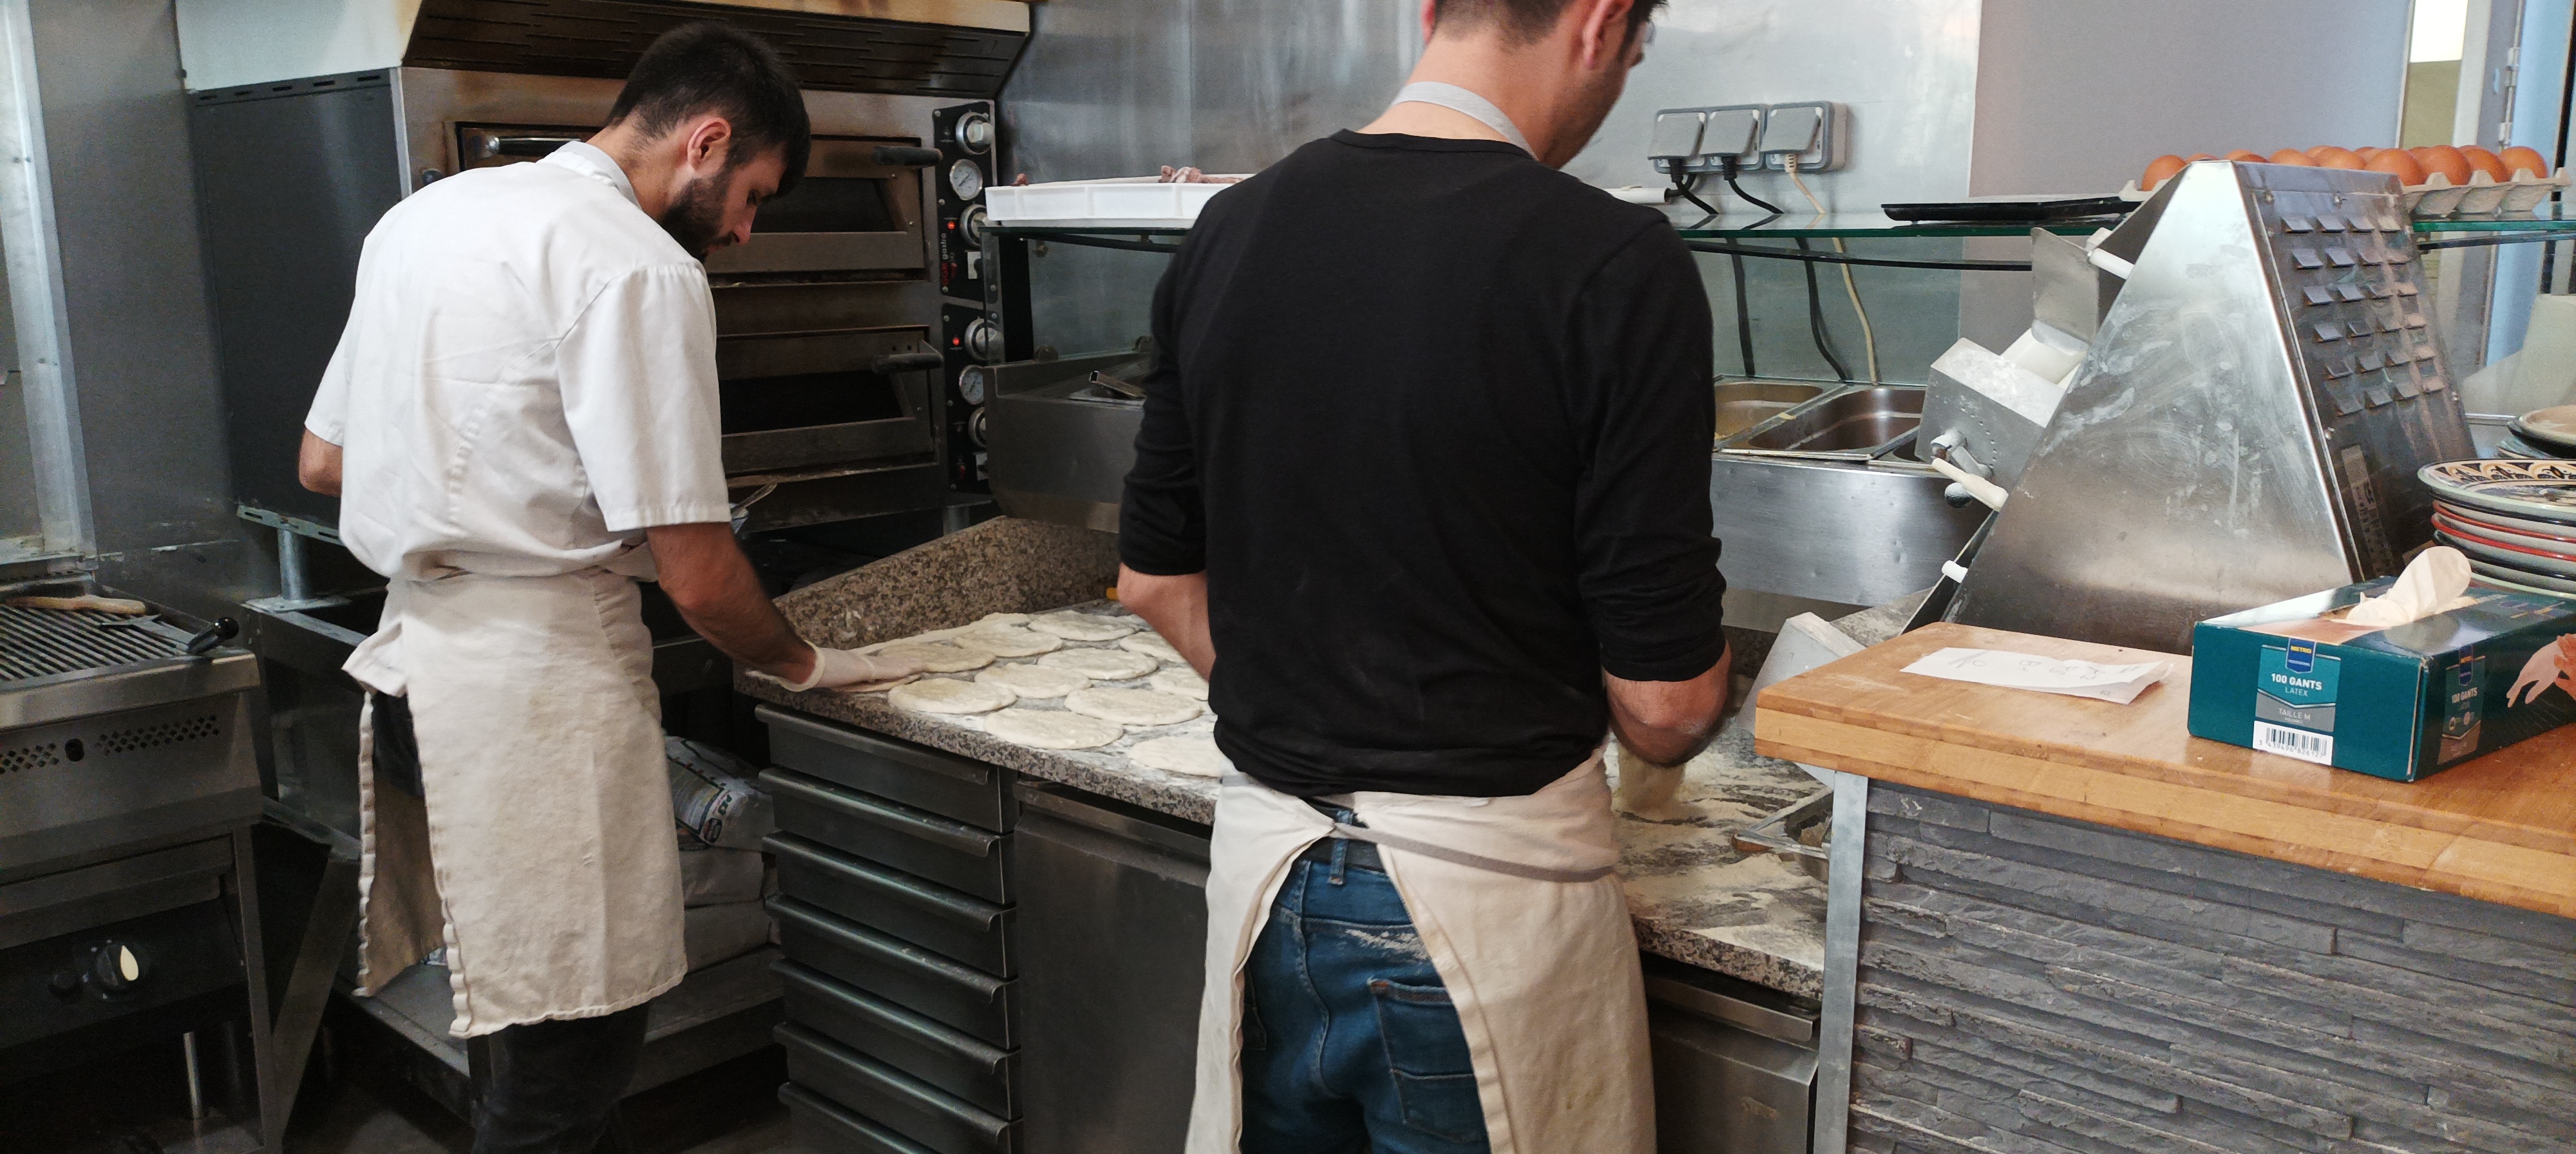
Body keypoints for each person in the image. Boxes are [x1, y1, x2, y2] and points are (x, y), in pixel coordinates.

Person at [1115, 0, 1729, 1149]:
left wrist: (1324, 713)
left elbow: (1154, 583)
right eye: (1633, 56)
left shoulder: (1229, 229)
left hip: (1263, 885)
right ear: (1601, 25)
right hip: (1484, 908)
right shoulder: (1613, 260)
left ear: (1434, 11)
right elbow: (1664, 706)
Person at [296, 23, 919, 1153]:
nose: (744, 229)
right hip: (535, 712)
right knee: (563, 1076)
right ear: (706, 141)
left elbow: (324, 463)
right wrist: (812, 664)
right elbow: (698, 575)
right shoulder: (639, 265)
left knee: (520, 1032)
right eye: (754, 197)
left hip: (414, 686)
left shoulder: (422, 219)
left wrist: (499, 490)